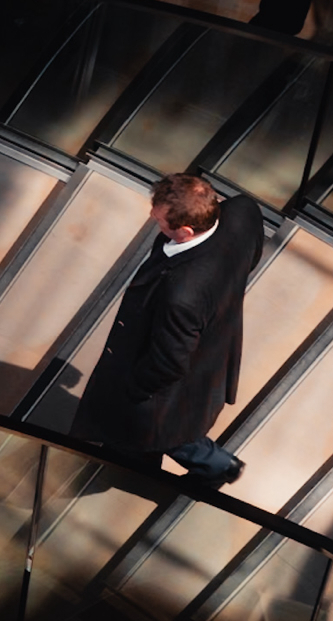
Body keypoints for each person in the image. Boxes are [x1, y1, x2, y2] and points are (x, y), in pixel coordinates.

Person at [71, 173, 263, 486]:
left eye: (160, 220)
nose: (152, 217)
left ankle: (218, 466)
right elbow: (251, 250)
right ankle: (212, 465)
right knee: (164, 427)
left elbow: (168, 364)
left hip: (168, 375)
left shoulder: (181, 295)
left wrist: (132, 389)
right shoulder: (241, 212)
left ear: (186, 231)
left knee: (152, 429)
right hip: (209, 346)